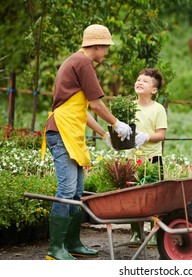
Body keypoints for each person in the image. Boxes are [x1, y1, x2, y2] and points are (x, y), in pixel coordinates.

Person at [41, 24, 132, 260]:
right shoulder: (83, 63)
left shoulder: (76, 61)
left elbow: (83, 110)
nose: (107, 53)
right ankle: (55, 249)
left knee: (77, 192)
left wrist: (103, 134)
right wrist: (116, 124)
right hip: (61, 132)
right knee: (67, 190)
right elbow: (97, 104)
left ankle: (72, 242)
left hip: (70, 131)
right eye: (106, 48)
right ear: (98, 46)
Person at [128, 68, 167, 246]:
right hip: (132, 159)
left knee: (155, 198)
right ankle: (136, 233)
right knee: (133, 197)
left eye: (145, 81)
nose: (139, 82)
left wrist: (145, 136)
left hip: (152, 159)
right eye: (138, 79)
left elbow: (161, 135)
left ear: (154, 90)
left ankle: (154, 233)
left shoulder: (158, 109)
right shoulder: (129, 106)